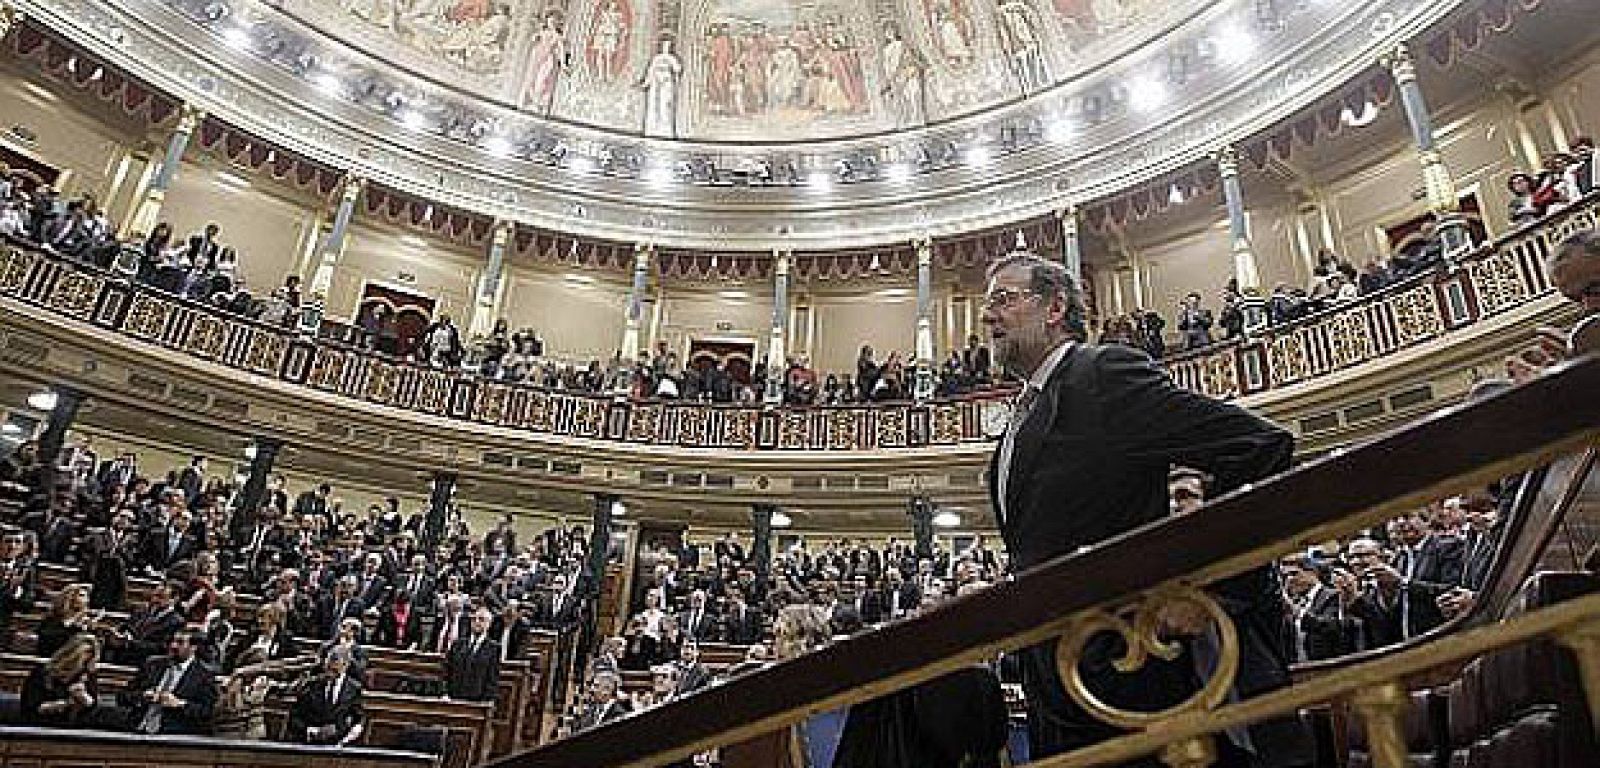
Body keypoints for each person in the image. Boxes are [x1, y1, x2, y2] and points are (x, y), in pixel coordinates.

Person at [978, 251, 1311, 767]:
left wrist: (1209, 589)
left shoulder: (1101, 376)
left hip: (1126, 668)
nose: (987, 315)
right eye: (987, 304)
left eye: (1004, 300)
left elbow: (1260, 447)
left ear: (1055, 307)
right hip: (1054, 678)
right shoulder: (1022, 412)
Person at [119, 629, 218, 735]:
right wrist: (142, 696)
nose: (173, 646)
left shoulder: (203, 675)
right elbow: (122, 696)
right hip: (137, 727)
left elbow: (207, 712)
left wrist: (180, 704)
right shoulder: (152, 665)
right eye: (172, 641)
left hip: (173, 735)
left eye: (180, 642)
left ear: (193, 648)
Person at [22, 633, 103, 727]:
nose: (79, 668)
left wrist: (84, 698)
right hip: (39, 726)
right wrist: (64, 704)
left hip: (74, 729)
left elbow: (94, 708)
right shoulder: (42, 672)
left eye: (86, 662)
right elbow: (30, 708)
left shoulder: (88, 676)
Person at [291, 646, 366, 746]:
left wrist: (345, 738)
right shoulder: (312, 684)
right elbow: (295, 716)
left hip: (339, 746)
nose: (329, 674)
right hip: (309, 744)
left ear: (345, 666)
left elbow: (358, 720)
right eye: (327, 668)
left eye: (334, 670)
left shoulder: (354, 689)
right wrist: (309, 731)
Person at [445, 606, 502, 702]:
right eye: (474, 619)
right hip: (453, 698)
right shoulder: (458, 644)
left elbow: (492, 679)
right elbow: (446, 670)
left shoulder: (494, 648)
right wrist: (445, 693)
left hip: (476, 701)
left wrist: (485, 701)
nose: (477, 622)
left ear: (489, 624)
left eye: (481, 619)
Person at [37, 583, 98, 658]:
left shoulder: (85, 623)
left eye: (87, 597)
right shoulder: (51, 620)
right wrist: (73, 621)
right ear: (69, 598)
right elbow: (47, 646)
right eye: (82, 595)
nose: (87, 600)